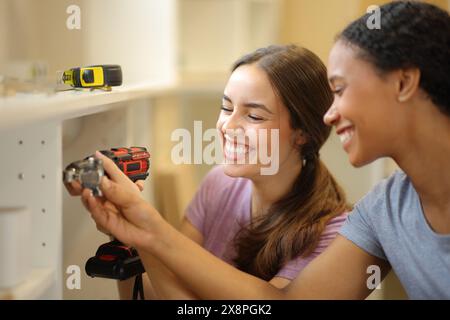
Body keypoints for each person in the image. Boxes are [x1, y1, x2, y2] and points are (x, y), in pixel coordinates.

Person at [81, 0, 450, 300]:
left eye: (340, 90)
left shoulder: (342, 224)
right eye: (226, 107)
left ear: (404, 82)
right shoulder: (382, 212)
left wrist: (151, 232)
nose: (331, 113)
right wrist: (137, 234)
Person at [68, 44, 350, 299]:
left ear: (302, 133)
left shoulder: (331, 234)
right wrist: (124, 232)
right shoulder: (219, 184)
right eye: (226, 108)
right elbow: (159, 294)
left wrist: (147, 232)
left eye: (253, 116)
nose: (227, 126)